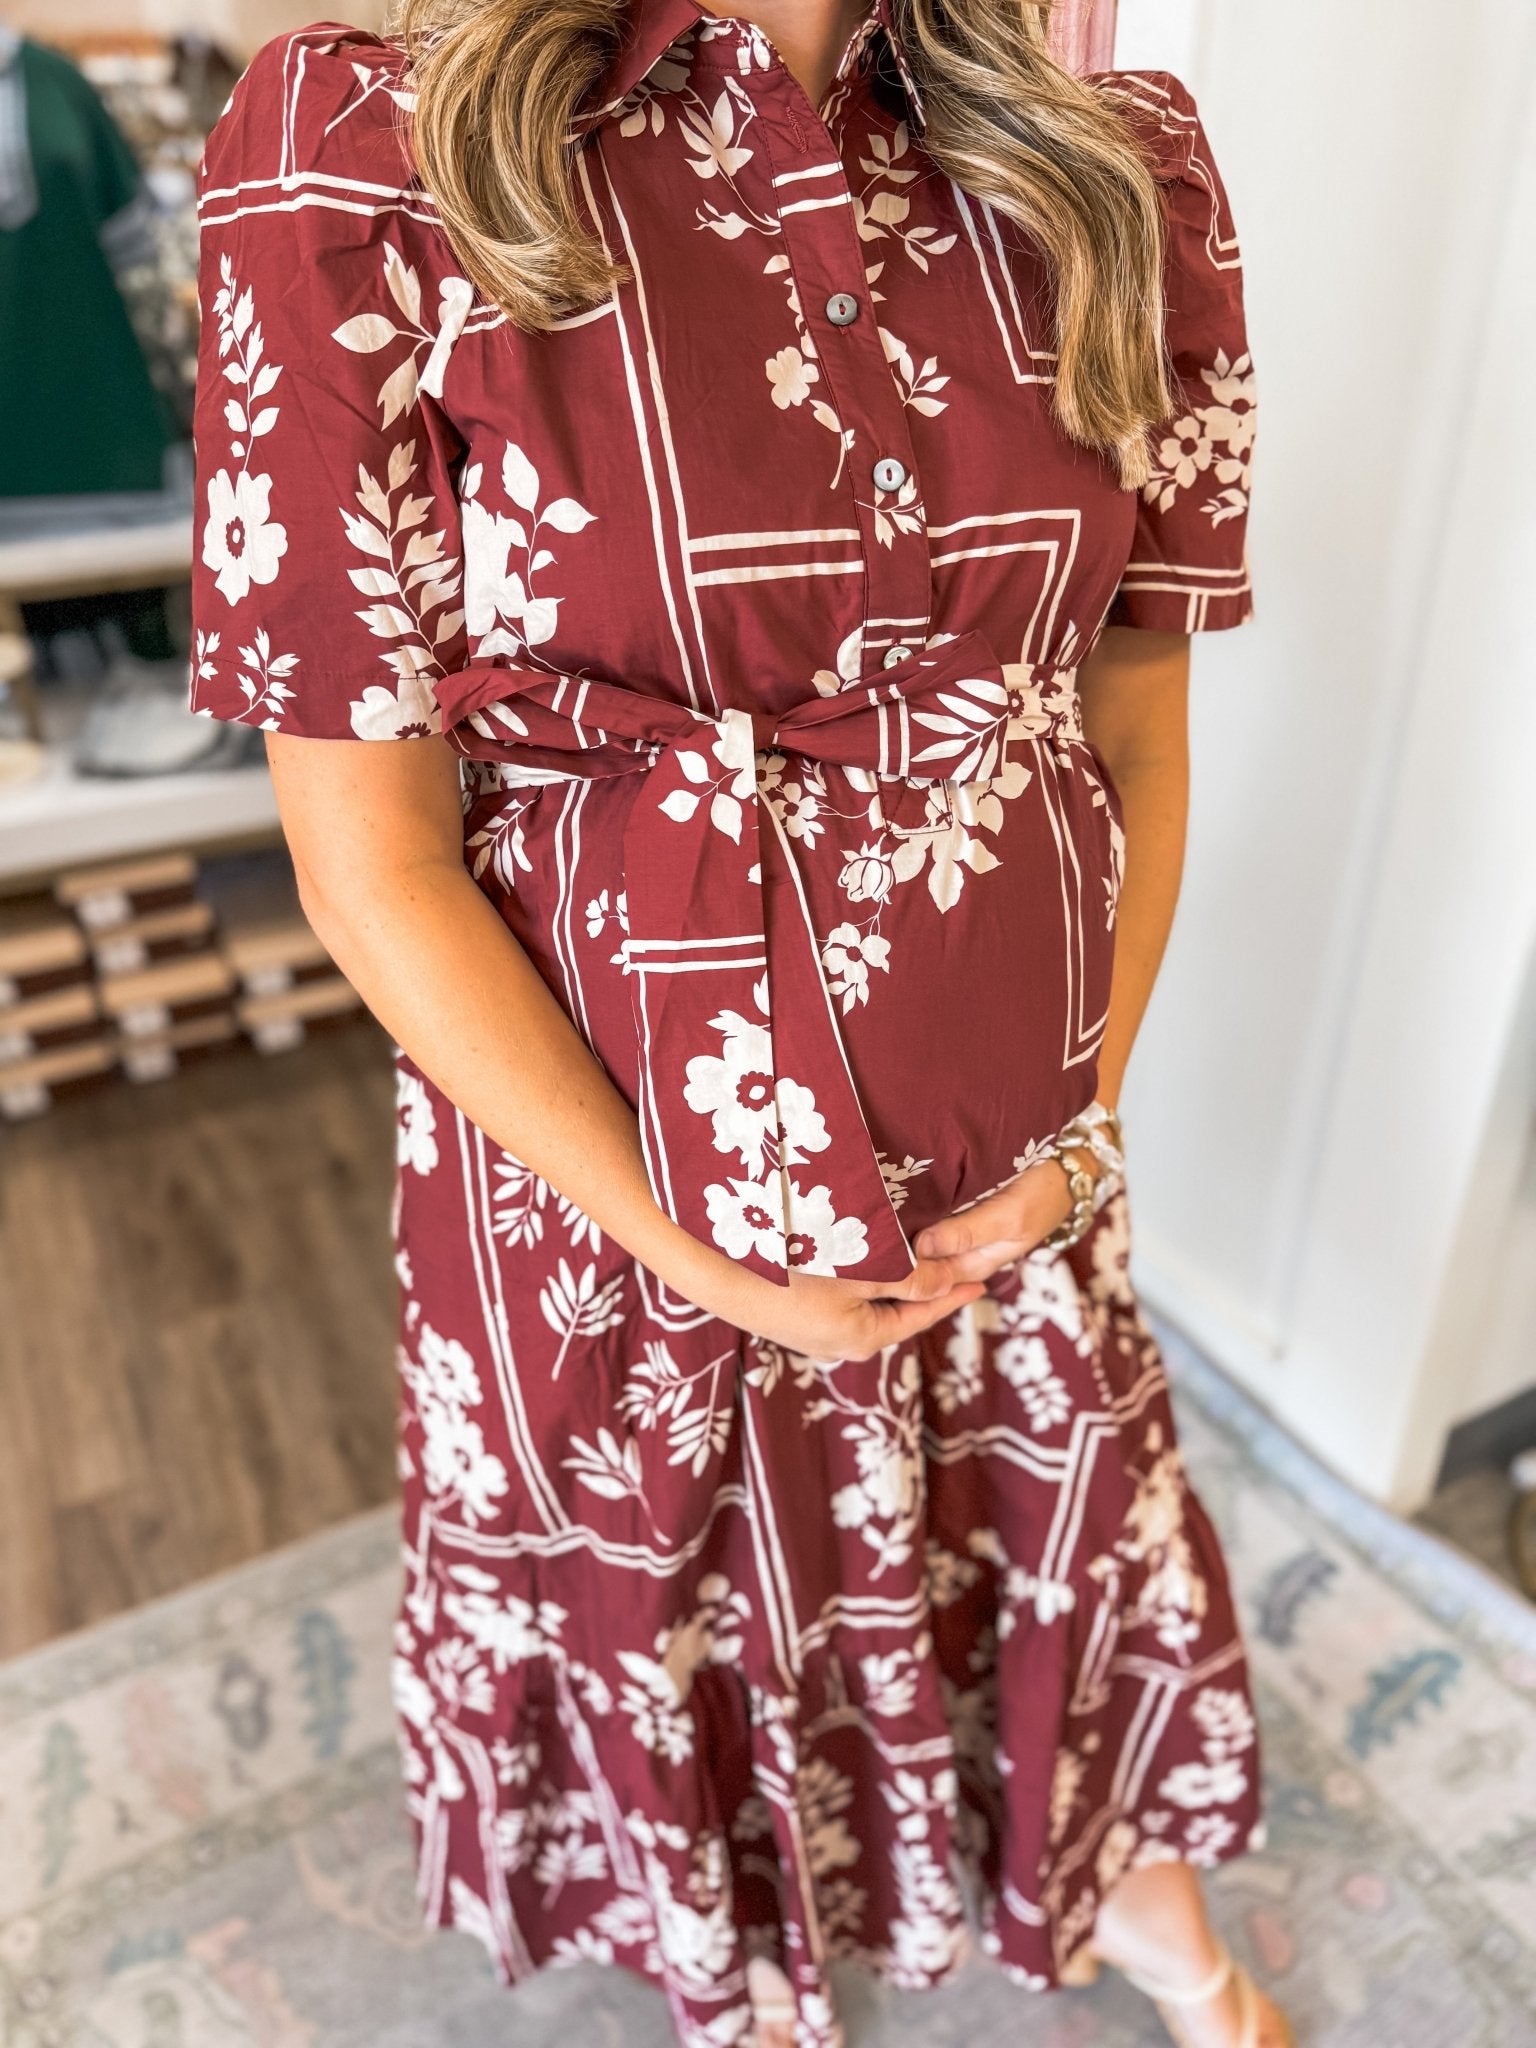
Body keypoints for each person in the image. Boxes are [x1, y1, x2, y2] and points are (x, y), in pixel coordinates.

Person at [188, 3, 1284, 2044]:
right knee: (679, 1596)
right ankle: (749, 1967)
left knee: (1046, 1521)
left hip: (1017, 1185)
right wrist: (692, 1249)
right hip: (607, 1202)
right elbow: (367, 857)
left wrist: (1083, 1133)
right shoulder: (367, 147)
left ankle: (1116, 1878)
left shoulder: (1117, 165)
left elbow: (1131, 721)